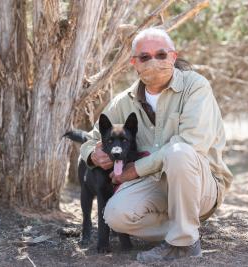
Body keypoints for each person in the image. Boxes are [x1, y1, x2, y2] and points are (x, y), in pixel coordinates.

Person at [80, 27, 233, 262]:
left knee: (180, 152)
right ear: (134, 63)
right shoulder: (124, 101)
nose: (153, 62)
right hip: (154, 185)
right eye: (145, 57)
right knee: (114, 215)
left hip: (200, 184)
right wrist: (93, 155)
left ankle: (184, 242)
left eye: (161, 55)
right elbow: (91, 139)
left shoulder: (196, 87)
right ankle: (182, 227)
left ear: (173, 56)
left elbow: (193, 142)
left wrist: (136, 169)